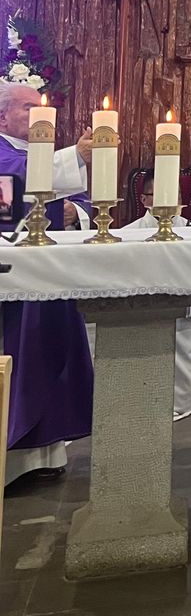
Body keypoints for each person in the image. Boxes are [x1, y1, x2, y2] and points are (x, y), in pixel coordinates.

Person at [0, 82, 94, 485]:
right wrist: (76, 157)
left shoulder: (40, 155)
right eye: (28, 108)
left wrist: (77, 213)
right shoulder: (5, 153)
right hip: (16, 281)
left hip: (51, 275)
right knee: (25, 358)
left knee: (51, 354)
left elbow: (81, 200)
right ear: (2, 116)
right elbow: (15, 187)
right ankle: (11, 460)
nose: (40, 114)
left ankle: (47, 452)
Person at [130, 185, 191, 421]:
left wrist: (187, 305)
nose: (169, 202)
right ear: (144, 199)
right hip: (140, 323)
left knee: (179, 399)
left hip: (185, 322)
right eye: (160, 195)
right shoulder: (127, 235)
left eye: (175, 196)